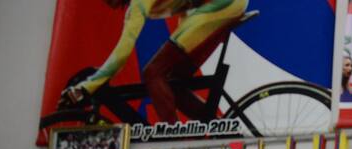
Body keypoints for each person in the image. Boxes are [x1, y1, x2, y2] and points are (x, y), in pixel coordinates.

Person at [64, 0, 249, 122]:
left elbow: (122, 52)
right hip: (222, 6)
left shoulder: (138, 4)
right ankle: (217, 127)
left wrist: (88, 86)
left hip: (221, 5)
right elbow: (186, 7)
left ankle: (174, 138)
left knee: (153, 73)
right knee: (172, 82)